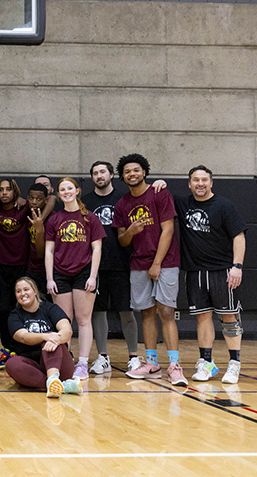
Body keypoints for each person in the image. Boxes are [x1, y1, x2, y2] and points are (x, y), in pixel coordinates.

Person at [113, 154, 186, 385]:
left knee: (166, 312)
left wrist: (156, 264)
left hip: (165, 262)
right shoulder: (122, 204)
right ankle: (152, 363)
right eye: (127, 171)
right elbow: (122, 240)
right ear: (122, 176)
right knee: (146, 313)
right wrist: (131, 232)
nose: (132, 174)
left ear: (144, 172)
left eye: (136, 170)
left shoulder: (159, 194)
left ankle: (174, 365)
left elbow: (168, 230)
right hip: (138, 263)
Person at [174, 165, 247, 384]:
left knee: (228, 317)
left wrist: (237, 266)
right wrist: (159, 184)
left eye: (204, 180)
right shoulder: (183, 204)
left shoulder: (224, 205)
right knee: (203, 317)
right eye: (195, 180)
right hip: (195, 272)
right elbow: (160, 195)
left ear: (211, 182)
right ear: (189, 184)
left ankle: (234, 364)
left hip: (223, 271)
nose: (200, 184)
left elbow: (239, 236)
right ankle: (207, 363)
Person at [82, 161, 140, 375]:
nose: (99, 176)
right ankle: (102, 356)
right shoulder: (84, 202)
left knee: (126, 311)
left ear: (112, 174)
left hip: (121, 264)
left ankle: (134, 356)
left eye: (102, 172)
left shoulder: (125, 200)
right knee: (97, 312)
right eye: (95, 173)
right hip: (94, 267)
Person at [45, 178, 106, 380]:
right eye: (62, 189)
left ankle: (82, 363)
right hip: (60, 274)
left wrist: (93, 276)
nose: (66, 192)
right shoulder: (54, 219)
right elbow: (49, 251)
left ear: (77, 190)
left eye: (70, 188)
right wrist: (49, 278)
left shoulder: (90, 218)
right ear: (58, 194)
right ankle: (66, 362)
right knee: (63, 321)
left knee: (83, 319)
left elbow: (97, 248)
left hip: (83, 273)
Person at [5, 277, 83, 397]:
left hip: (60, 365)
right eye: (18, 291)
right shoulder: (15, 315)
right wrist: (45, 336)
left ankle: (53, 378)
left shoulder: (51, 308)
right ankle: (62, 386)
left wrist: (53, 338)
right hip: (33, 367)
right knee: (11, 364)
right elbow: (23, 337)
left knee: (51, 339)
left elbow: (67, 330)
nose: (23, 294)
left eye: (26, 289)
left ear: (35, 291)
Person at [0, 178, 30, 357]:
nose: (5, 193)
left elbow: (50, 199)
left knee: (20, 307)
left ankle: (23, 346)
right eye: (1, 190)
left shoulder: (24, 208)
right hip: (0, 266)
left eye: (8, 190)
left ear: (15, 192)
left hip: (21, 266)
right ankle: (7, 347)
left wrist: (25, 200)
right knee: (4, 309)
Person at [25, 183, 53, 298]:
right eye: (31, 198)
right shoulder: (27, 213)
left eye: (39, 199)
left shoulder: (52, 218)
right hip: (30, 267)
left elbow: (41, 253)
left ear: (45, 200)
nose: (34, 202)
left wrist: (39, 229)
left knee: (46, 302)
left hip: (47, 269)